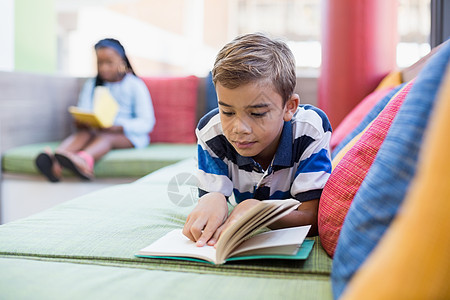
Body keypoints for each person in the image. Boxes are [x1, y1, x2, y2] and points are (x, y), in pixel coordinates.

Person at [183, 33, 332, 247]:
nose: (239, 129)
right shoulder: (212, 132)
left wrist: (259, 210)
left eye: (257, 113)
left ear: (289, 107)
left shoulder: (309, 129)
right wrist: (211, 199)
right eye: (227, 112)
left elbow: (313, 218)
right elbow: (213, 195)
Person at [35, 38, 155, 182]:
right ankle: (57, 159)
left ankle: (83, 160)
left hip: (128, 135)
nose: (104, 68)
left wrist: (119, 127)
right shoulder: (92, 84)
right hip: (96, 130)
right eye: (100, 63)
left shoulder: (135, 85)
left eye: (109, 62)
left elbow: (147, 122)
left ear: (122, 61)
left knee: (106, 138)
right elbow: (85, 109)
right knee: (84, 133)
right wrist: (83, 121)